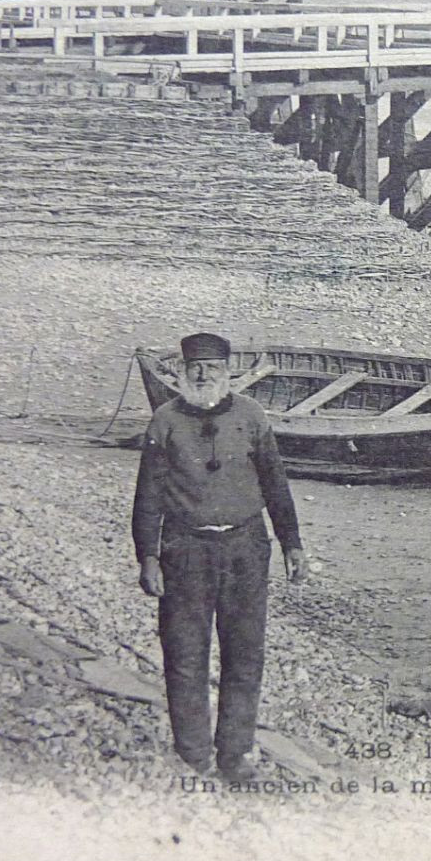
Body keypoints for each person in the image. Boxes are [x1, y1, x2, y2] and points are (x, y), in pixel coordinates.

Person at [131, 332, 307, 782]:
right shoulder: (164, 422)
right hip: (185, 549)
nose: (204, 373)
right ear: (183, 371)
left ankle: (234, 754)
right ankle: (192, 751)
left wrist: (292, 544)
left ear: (228, 371)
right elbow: (147, 495)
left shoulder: (252, 417)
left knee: (244, 654)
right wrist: (147, 557)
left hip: (246, 549)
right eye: (196, 367)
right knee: (185, 654)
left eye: (212, 365)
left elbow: (275, 484)